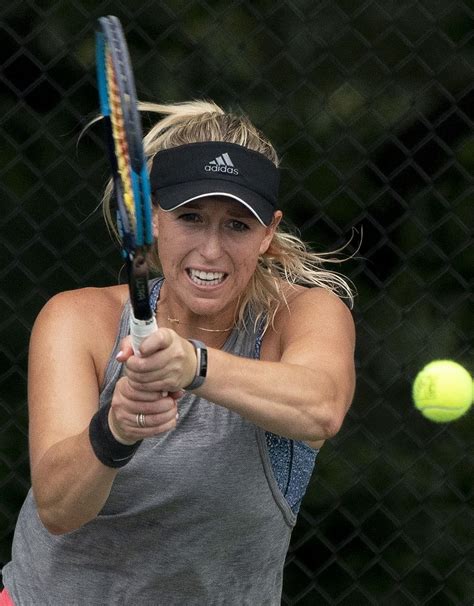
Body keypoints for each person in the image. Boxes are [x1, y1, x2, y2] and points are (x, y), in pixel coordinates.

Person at [1, 100, 356, 605]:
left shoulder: (302, 315)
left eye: (237, 225)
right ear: (152, 219)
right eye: (191, 217)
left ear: (268, 233)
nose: (211, 250)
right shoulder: (78, 320)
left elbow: (321, 407)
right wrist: (117, 427)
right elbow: (57, 509)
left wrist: (194, 364)